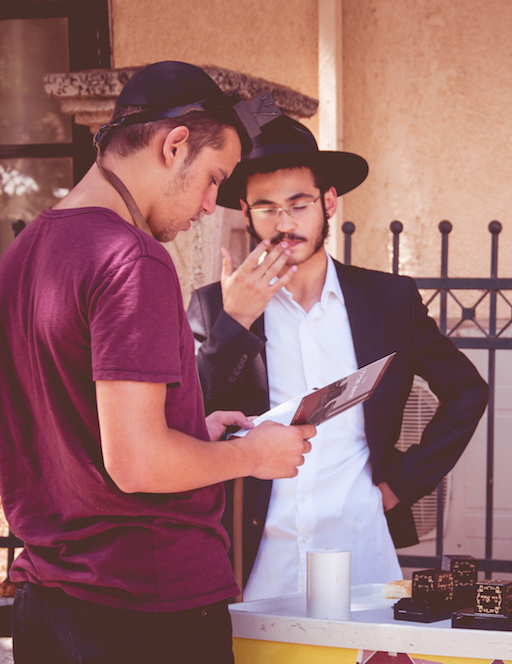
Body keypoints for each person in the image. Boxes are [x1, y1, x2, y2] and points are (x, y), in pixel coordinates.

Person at [0, 61, 315, 664]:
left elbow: (81, 433)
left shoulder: (22, 253)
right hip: (145, 612)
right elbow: (137, 463)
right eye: (213, 178)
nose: (208, 205)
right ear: (175, 146)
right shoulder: (131, 259)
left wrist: (195, 435)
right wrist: (254, 454)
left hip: (49, 606)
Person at [186, 115, 489, 598]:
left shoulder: (387, 299)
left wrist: (402, 485)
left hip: (361, 549)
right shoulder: (212, 305)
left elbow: (467, 390)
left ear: (328, 202)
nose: (284, 223)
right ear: (245, 211)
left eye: (298, 204)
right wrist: (234, 322)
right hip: (255, 558)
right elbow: (191, 418)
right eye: (266, 208)